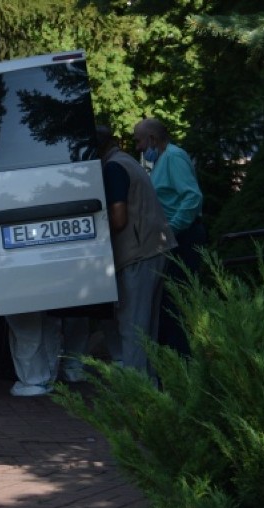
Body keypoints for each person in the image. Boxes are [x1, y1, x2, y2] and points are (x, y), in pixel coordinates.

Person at [97, 125, 177, 379]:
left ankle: (136, 393)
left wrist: (94, 229)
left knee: (132, 327)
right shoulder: (126, 161)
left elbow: (118, 218)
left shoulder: (113, 168)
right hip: (155, 248)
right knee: (147, 328)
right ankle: (149, 388)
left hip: (137, 253)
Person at [133, 118, 206, 357]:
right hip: (175, 236)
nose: (138, 147)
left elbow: (192, 197)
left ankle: (183, 362)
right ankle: (176, 361)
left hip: (183, 237)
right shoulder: (163, 159)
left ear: (152, 139)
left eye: (139, 140)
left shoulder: (173, 157)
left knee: (176, 303)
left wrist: (172, 228)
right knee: (170, 302)